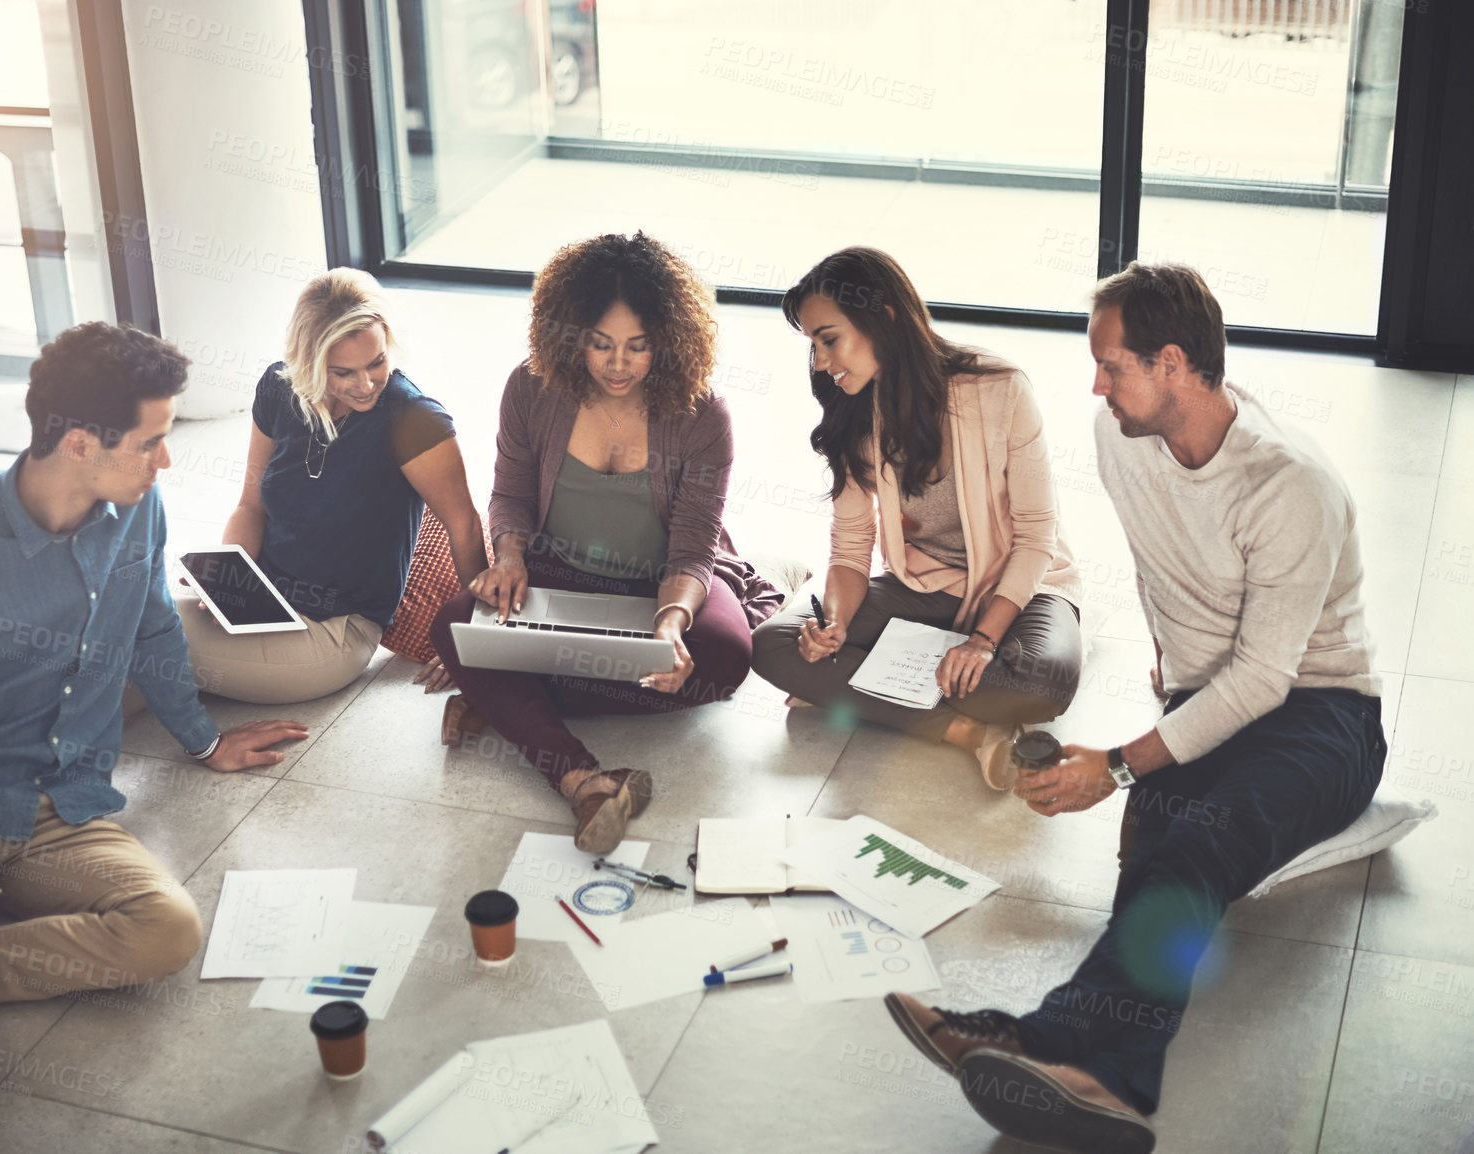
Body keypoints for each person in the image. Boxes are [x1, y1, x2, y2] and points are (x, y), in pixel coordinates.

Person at [884, 264, 1384, 1154]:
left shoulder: (1290, 487)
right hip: (1207, 694)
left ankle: (1033, 1041)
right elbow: (1165, 565)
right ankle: (1108, 1082)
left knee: (1198, 843)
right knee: (1158, 859)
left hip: (1322, 712)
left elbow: (1266, 680)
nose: (1095, 385)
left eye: (1112, 366)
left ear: (1175, 364)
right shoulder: (1123, 435)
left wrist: (1120, 767)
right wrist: (1170, 683)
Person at [0, 322, 308, 1154]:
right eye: (151, 444)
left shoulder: (135, 515)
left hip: (60, 806)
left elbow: (151, 634)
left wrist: (204, 742)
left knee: (168, 929)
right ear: (79, 443)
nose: (165, 462)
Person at [428, 232, 782, 853]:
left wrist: (670, 624)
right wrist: (508, 556)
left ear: (667, 343)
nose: (618, 364)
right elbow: (509, 494)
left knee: (725, 654)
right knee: (455, 622)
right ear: (571, 337)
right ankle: (583, 779)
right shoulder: (530, 388)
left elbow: (695, 546)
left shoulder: (704, 416)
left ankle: (506, 703)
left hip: (658, 583)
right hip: (558, 571)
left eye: (638, 347)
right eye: (600, 344)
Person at [751, 247, 1083, 788]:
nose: (819, 361)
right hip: (927, 586)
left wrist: (982, 641)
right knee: (777, 644)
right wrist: (834, 627)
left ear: (883, 319)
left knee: (1047, 683)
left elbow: (1035, 539)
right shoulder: (854, 413)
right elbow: (851, 548)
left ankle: (858, 689)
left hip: (1024, 587)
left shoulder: (1001, 389)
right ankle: (967, 732)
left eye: (828, 339)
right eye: (812, 345)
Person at [176, 268, 488, 703]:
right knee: (124, 618)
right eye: (343, 372)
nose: (365, 385)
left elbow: (464, 525)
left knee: (135, 637)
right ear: (310, 361)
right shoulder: (278, 390)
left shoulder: (412, 418)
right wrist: (231, 582)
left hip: (335, 634)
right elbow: (250, 507)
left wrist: (477, 639)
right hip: (264, 604)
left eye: (376, 362)